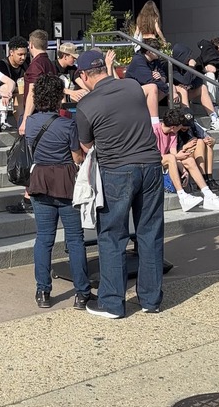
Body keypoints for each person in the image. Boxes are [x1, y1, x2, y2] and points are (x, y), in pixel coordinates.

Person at [71, 49, 165, 318]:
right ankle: (151, 300)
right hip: (150, 165)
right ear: (105, 68)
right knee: (150, 232)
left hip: (116, 170)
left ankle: (112, 303)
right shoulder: (133, 87)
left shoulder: (86, 106)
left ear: (84, 75)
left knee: (113, 236)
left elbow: (86, 145)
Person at [22, 75, 90, 309]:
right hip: (65, 181)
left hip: (39, 180)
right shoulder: (67, 124)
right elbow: (77, 157)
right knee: (75, 239)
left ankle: (43, 291)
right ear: (59, 97)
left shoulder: (30, 122)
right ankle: (82, 293)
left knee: (43, 238)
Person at [158, 106, 219, 213]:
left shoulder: (173, 134)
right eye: (180, 125)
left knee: (189, 160)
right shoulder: (154, 130)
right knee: (170, 157)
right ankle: (182, 196)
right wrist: (179, 155)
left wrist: (183, 170)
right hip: (153, 160)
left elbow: (174, 154)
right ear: (173, 127)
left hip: (168, 159)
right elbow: (156, 155)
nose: (182, 127)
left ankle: (208, 194)